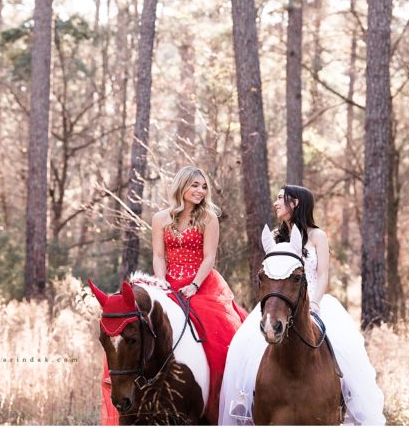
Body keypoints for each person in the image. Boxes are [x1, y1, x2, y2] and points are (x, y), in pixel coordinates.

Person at [218, 185, 386, 426]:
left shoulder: (317, 236)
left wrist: (315, 303)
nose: (275, 203)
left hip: (313, 301)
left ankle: (349, 404)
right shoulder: (276, 238)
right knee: (242, 347)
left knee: (347, 348)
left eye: (280, 199)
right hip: (279, 302)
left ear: (295, 203)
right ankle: (245, 401)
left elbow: (323, 273)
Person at [101, 165, 246, 424]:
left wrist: (195, 285)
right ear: (182, 186)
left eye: (204, 187)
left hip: (200, 284)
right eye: (195, 185)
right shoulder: (161, 218)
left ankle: (221, 400)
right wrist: (160, 283)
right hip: (167, 283)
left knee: (219, 340)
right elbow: (158, 255)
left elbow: (209, 257)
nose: (200, 191)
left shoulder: (208, 218)